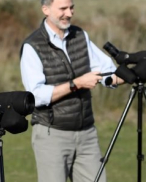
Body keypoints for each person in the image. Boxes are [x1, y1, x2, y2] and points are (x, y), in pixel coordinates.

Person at [20, 0, 124, 182]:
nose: (69, 13)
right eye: (63, 8)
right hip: (52, 134)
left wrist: (131, 74)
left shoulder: (80, 36)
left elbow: (107, 72)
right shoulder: (32, 46)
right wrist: (76, 84)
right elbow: (36, 96)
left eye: (71, 7)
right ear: (45, 9)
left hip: (87, 134)